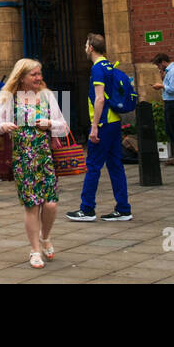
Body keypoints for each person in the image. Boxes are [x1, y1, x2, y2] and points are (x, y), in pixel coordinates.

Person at [0, 59, 69, 269]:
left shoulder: (47, 96)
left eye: (39, 74)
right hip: (22, 159)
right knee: (32, 205)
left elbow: (63, 126)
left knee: (51, 203)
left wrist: (49, 124)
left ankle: (45, 237)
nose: (38, 78)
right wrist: (4, 126)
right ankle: (35, 250)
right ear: (22, 77)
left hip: (44, 157)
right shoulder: (10, 98)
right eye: (34, 74)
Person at [66, 33, 132, 223]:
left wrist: (94, 126)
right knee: (115, 165)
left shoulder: (97, 69)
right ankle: (123, 208)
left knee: (93, 165)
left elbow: (100, 98)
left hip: (103, 124)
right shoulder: (110, 66)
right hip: (115, 122)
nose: (84, 48)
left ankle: (87, 209)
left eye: (86, 45)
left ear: (91, 48)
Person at [152, 53, 174, 166]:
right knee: (169, 130)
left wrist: (160, 86)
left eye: (158, 65)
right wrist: (162, 78)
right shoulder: (168, 71)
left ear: (163, 62)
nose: (158, 68)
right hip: (169, 103)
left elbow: (172, 89)